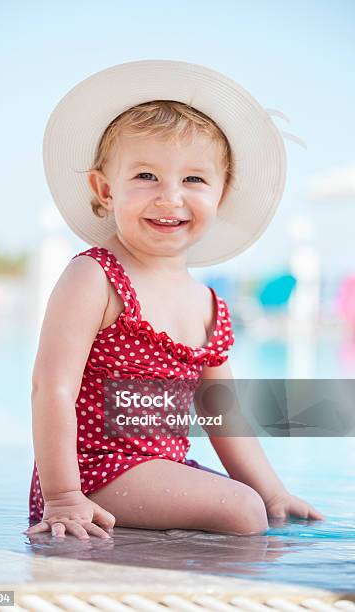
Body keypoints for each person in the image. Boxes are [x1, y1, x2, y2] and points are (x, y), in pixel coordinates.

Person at [25, 60, 324, 542]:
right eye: (146, 175)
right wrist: (63, 496)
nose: (170, 198)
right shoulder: (95, 276)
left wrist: (272, 491)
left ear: (222, 193)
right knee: (242, 511)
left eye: (194, 180)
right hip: (92, 476)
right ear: (105, 190)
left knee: (257, 508)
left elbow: (220, 412)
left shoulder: (209, 303)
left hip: (159, 466)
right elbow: (51, 388)